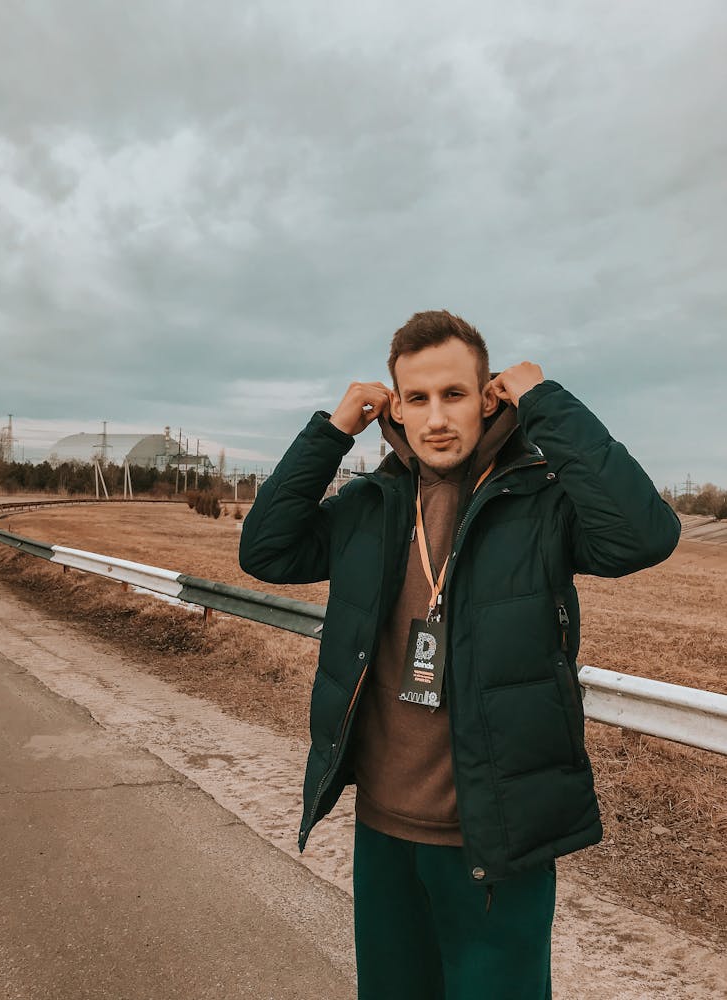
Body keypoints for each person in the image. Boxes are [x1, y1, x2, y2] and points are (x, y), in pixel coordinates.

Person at [239, 310, 680, 1000]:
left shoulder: (542, 507)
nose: (437, 416)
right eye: (417, 398)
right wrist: (331, 432)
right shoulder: (366, 507)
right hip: (384, 833)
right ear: (396, 407)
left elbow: (645, 534)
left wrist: (546, 399)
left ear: (488, 397)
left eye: (454, 394)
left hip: (498, 840)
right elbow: (265, 550)